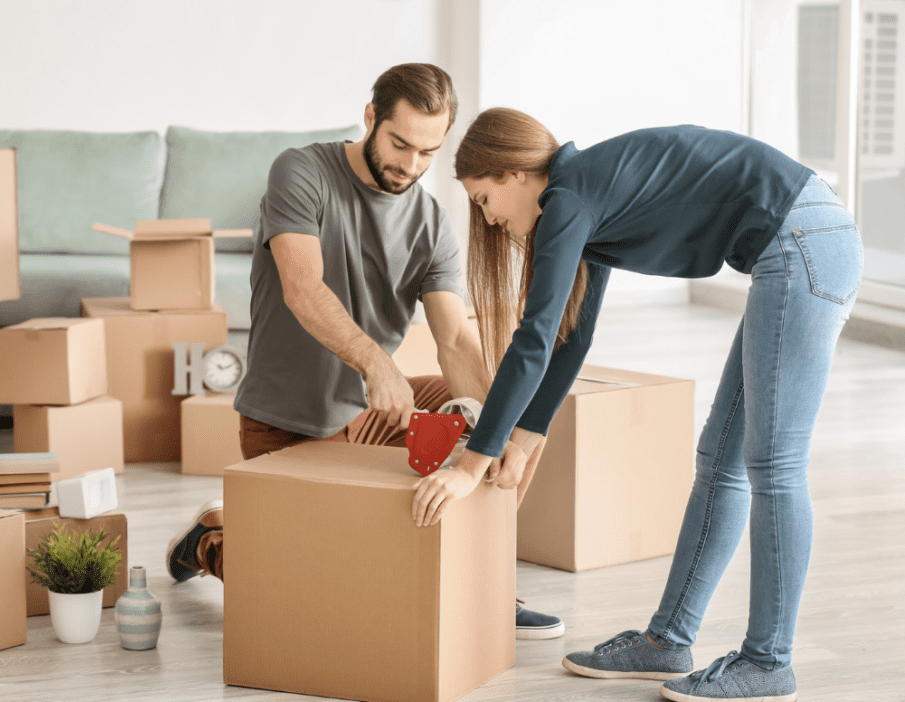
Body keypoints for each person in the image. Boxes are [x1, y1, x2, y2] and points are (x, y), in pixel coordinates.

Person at [412, 107, 863, 702]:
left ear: (515, 175)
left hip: (804, 240)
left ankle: (768, 661)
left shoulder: (569, 197)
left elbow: (535, 336)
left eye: (485, 198)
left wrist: (472, 462)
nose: (489, 220)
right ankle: (668, 642)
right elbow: (572, 338)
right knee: (719, 461)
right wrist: (524, 436)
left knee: (773, 465)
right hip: (799, 241)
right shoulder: (587, 197)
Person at [165, 66, 564, 639]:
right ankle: (211, 538)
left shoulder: (430, 223)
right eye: (400, 143)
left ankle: (483, 579)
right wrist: (377, 362)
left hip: (376, 415)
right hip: (290, 425)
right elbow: (303, 289)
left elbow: (453, 338)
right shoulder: (301, 172)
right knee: (324, 601)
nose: (411, 165)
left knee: (511, 411)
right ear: (371, 117)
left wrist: (492, 432)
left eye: (428, 151)